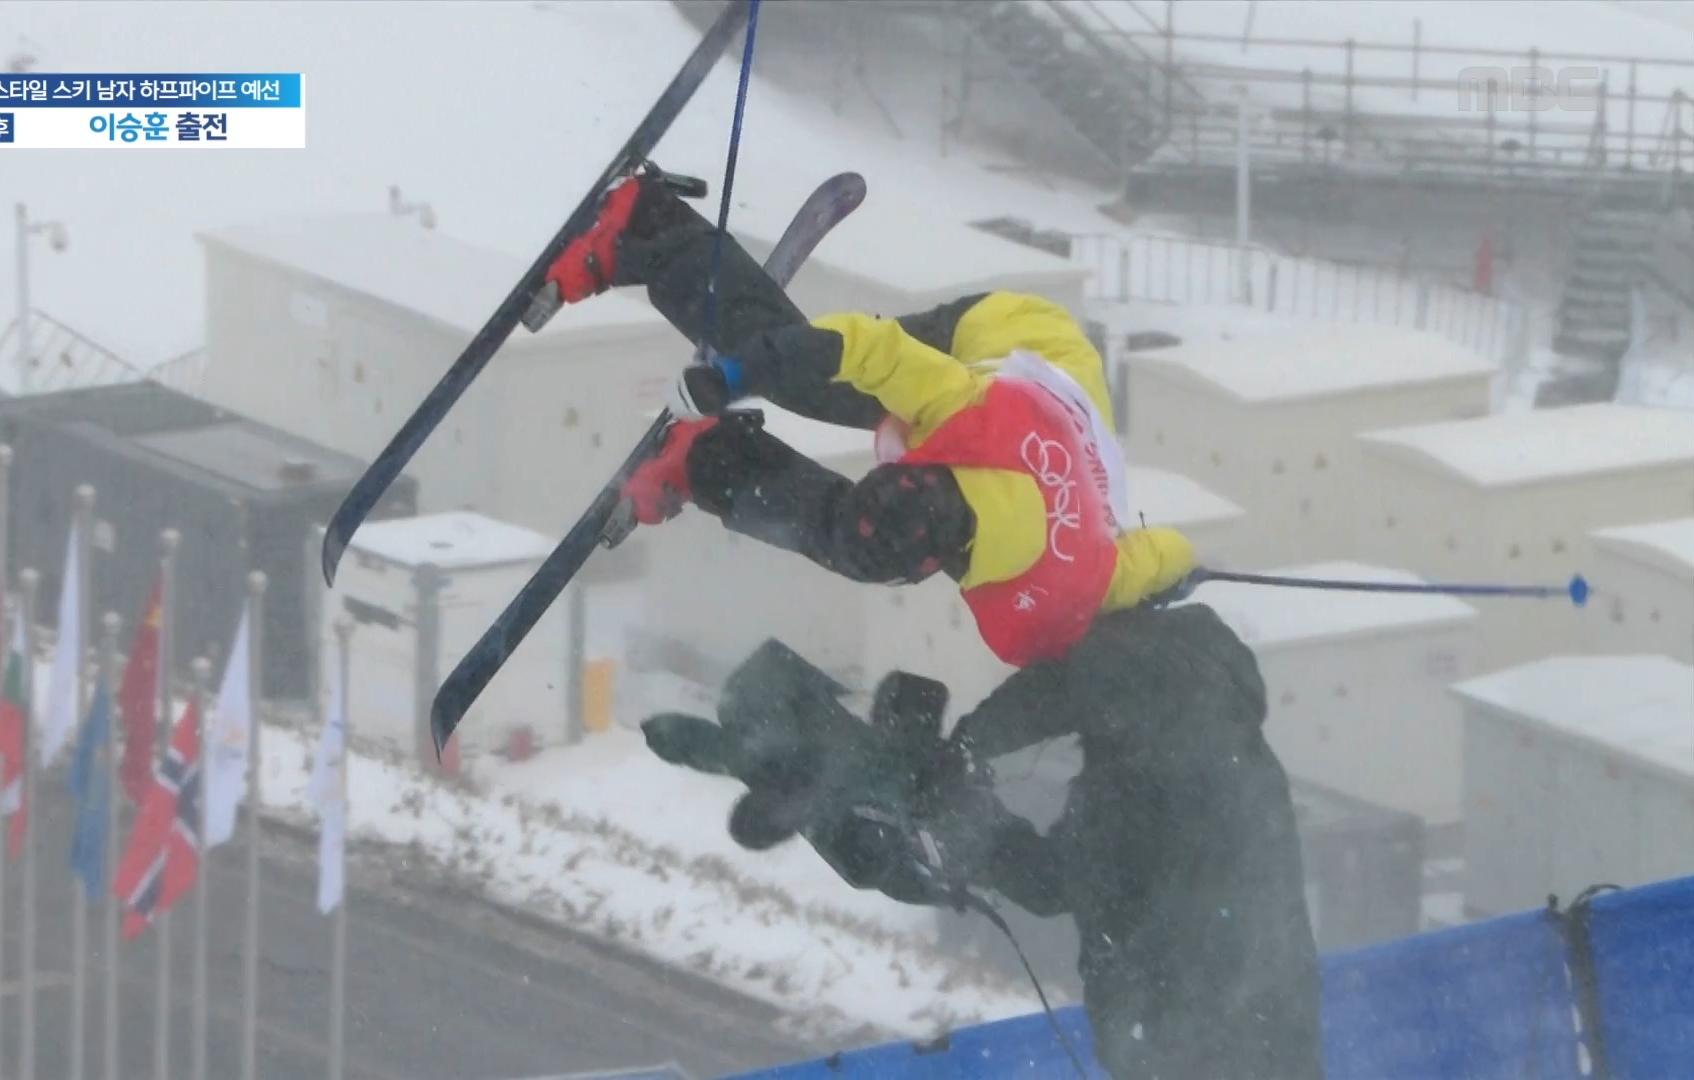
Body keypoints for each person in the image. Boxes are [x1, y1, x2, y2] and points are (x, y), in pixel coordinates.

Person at [542, 169, 1197, 667]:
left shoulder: (1067, 584)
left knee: (858, 550)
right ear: (929, 466)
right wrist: (739, 373)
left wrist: (1177, 571)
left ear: (934, 561)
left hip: (1046, 428)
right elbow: (863, 347)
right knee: (813, 382)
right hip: (1017, 341)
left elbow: (1160, 554)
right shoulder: (969, 410)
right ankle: (649, 227)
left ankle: (707, 458)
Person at [641, 605, 1326, 1080]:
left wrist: (967, 764)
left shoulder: (1151, 777)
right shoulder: (1219, 747)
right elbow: (1062, 871)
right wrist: (956, 787)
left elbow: (1058, 873)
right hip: (1235, 1041)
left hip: (1189, 1044)